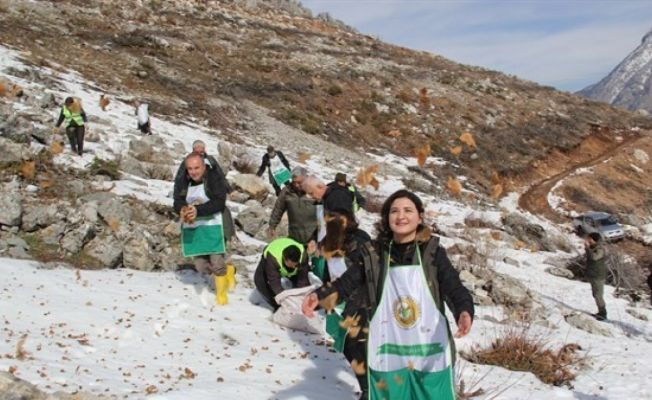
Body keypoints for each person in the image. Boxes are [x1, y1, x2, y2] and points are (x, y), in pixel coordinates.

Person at [303, 189, 474, 400]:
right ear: (386, 218)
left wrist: (464, 311)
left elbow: (453, 287)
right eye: (394, 211)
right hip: (389, 349)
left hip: (429, 348)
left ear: (419, 217)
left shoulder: (432, 252)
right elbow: (346, 284)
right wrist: (318, 297)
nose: (401, 216)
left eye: (408, 210)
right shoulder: (374, 253)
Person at [319, 208, 372, 398]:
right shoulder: (331, 240)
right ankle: (367, 387)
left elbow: (365, 274)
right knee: (348, 347)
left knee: (356, 346)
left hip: (362, 301)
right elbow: (329, 267)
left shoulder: (360, 241)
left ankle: (369, 389)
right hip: (341, 300)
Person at [173, 153, 235, 305]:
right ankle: (229, 270)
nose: (193, 172)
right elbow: (177, 200)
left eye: (196, 168)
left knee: (216, 261)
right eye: (190, 169)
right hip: (196, 228)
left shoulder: (214, 178)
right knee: (200, 266)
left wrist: (198, 211)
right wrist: (181, 209)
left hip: (216, 225)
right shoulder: (183, 181)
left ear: (204, 166)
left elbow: (219, 202)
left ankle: (221, 294)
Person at [254, 237, 311, 310]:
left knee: (302, 283)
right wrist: (284, 301)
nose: (294, 267)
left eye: (296, 265)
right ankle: (277, 306)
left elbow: (303, 280)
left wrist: (302, 299)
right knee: (259, 281)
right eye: (291, 265)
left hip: (289, 254)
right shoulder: (273, 259)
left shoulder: (303, 256)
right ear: (285, 259)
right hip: (271, 255)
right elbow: (275, 283)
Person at [267, 166, 317, 245]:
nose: (296, 185)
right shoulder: (287, 191)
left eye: (300, 182)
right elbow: (278, 209)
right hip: (294, 236)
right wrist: (272, 226)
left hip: (314, 239)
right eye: (294, 182)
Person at [585, 232, 607, 321]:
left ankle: (603, 313)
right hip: (594, 274)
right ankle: (600, 311)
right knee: (596, 294)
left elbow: (594, 257)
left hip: (598, 275)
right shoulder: (593, 247)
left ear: (594, 239)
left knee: (598, 295)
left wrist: (587, 248)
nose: (587, 240)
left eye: (589, 238)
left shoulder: (600, 249)